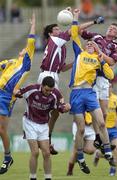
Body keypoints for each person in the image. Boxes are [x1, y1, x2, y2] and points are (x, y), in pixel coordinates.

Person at [37, 7, 105, 155]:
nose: (58, 30)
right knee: (53, 108)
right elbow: (75, 30)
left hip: (52, 75)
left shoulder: (59, 48)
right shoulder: (55, 39)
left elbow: (62, 68)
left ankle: (47, 139)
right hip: (48, 76)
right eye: (55, 29)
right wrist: (93, 21)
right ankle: (42, 139)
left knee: (54, 112)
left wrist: (77, 62)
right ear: (50, 34)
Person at [69, 8, 115, 174]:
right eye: (87, 43)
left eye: (91, 44)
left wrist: (103, 61)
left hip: (89, 93)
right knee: (80, 129)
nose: (89, 44)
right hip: (76, 94)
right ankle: (80, 158)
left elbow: (110, 74)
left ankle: (108, 151)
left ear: (95, 49)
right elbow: (74, 32)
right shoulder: (79, 53)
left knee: (101, 122)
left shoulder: (97, 59)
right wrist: (75, 16)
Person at [15, 76, 71, 180]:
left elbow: (60, 108)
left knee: (46, 153)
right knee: (35, 152)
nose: (48, 92)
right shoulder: (32, 89)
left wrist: (66, 107)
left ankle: (48, 177)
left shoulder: (55, 94)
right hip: (29, 123)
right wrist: (14, 91)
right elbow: (18, 92)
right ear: (41, 85)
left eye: (50, 90)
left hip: (44, 125)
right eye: (46, 90)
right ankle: (32, 177)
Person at [0, 13, 36, 174]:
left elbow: (31, 41)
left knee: (1, 130)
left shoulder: (26, 62)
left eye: (25, 49)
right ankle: (7, 157)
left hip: (7, 97)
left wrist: (33, 24)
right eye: (22, 49)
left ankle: (7, 157)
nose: (23, 49)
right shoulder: (11, 62)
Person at [80, 17, 117, 149]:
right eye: (110, 27)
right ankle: (101, 140)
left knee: (103, 114)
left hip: (104, 79)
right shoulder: (96, 36)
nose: (111, 28)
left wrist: (100, 52)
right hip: (93, 77)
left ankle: (99, 139)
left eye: (114, 29)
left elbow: (112, 62)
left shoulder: (116, 46)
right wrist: (94, 22)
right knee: (95, 110)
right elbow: (80, 30)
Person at [93, 85, 117, 176]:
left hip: (113, 128)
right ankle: (98, 154)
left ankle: (112, 171)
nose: (108, 89)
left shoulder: (116, 99)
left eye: (110, 87)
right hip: (103, 129)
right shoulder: (99, 99)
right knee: (106, 152)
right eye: (107, 87)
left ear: (112, 88)